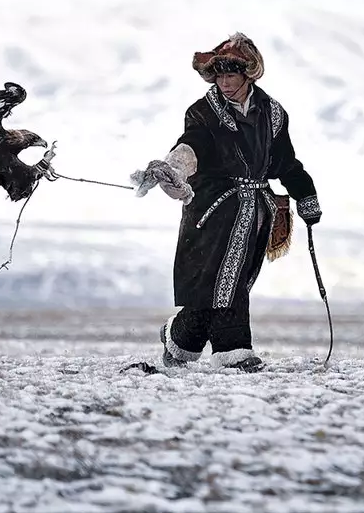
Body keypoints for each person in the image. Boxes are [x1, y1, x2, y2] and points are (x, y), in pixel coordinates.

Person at [137, 33, 322, 373]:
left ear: (248, 74)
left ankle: (179, 338)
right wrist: (171, 169)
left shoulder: (274, 114)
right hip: (212, 208)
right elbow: (191, 146)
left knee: (230, 282)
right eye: (218, 75)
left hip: (256, 212)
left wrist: (305, 194)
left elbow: (284, 162)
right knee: (220, 281)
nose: (224, 82)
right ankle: (234, 351)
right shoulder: (202, 112)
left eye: (231, 75)